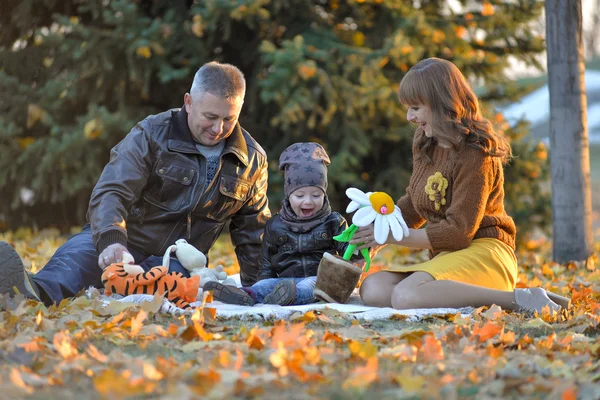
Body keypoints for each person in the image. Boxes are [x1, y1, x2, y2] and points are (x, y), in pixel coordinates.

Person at [0, 61, 271, 305]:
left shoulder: (253, 160)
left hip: (175, 265)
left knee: (170, 290)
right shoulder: (151, 133)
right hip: (122, 243)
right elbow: (112, 190)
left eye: (229, 119)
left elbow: (253, 236)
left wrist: (259, 291)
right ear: (188, 102)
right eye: (210, 117)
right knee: (68, 271)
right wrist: (111, 240)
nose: (218, 128)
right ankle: (24, 293)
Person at [354, 58, 570, 313]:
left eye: (415, 108)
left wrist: (394, 236)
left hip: (486, 253)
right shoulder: (425, 140)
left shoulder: (475, 154)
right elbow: (414, 203)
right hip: (449, 256)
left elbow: (458, 233)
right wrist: (377, 231)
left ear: (440, 104)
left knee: (406, 296)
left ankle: (521, 299)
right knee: (373, 289)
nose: (409, 116)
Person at [204, 142, 354, 306]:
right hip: (284, 280)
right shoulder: (275, 225)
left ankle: (288, 297)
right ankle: (245, 295)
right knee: (263, 286)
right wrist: (263, 282)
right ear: (289, 195)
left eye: (316, 195)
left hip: (317, 277)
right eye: (300, 195)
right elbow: (267, 262)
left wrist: (357, 246)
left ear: (324, 194)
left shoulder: (333, 222)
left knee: (312, 287)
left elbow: (348, 250)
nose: (308, 201)